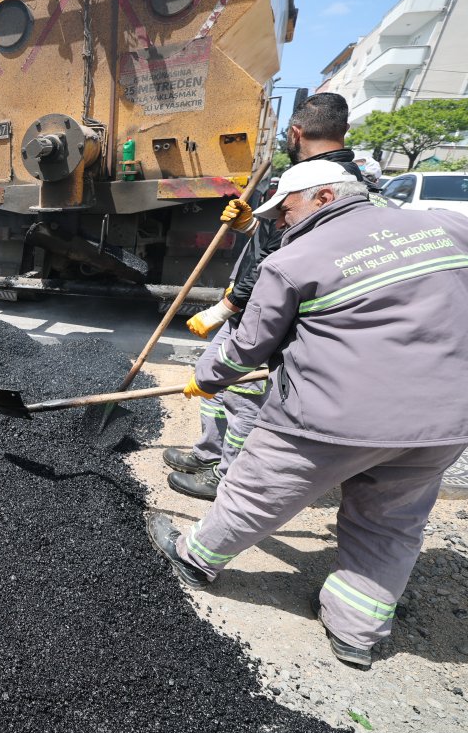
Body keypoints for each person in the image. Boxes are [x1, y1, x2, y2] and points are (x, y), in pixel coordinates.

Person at [147, 159, 468, 670]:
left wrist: (205, 380)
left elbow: (248, 348)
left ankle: (195, 558)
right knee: (390, 522)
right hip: (443, 421)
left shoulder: (295, 259)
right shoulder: (444, 226)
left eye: (286, 208)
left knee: (258, 491)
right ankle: (356, 632)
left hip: (332, 416)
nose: (279, 221)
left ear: (323, 197)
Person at [165, 92, 370, 501]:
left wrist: (226, 307)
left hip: (274, 312)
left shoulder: (319, 183)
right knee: (215, 380)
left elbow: (278, 262)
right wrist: (248, 227)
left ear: (295, 132)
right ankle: (209, 453)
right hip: (258, 305)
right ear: (343, 131)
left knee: (242, 396)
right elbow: (275, 242)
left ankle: (226, 477)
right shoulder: (338, 178)